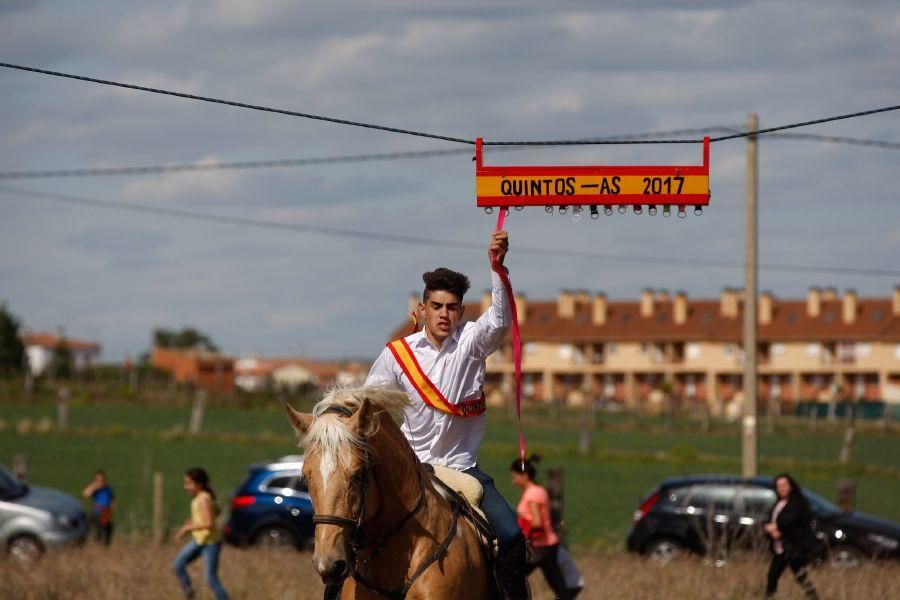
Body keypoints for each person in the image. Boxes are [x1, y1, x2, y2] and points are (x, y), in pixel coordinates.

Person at [366, 230, 530, 599]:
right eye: (437, 306)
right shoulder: (396, 354)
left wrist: (497, 268)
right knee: (348, 535)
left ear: (461, 311)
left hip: (462, 470)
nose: (444, 314)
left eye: (452, 307)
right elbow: (370, 405)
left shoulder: (472, 342)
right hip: (412, 468)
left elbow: (501, 320)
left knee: (512, 537)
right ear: (422, 309)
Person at [511, 455, 576, 600]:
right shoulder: (538, 491)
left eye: (515, 477)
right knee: (558, 586)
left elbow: (537, 522)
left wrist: (520, 527)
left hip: (539, 546)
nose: (513, 481)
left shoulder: (532, 494)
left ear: (525, 475)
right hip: (547, 545)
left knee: (512, 576)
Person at [172, 468, 229, 600]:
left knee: (211, 579)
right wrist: (194, 521)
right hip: (199, 541)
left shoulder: (203, 499)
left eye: (188, 483)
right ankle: (189, 593)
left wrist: (188, 528)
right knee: (178, 565)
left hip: (210, 543)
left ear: (199, 484)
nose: (186, 487)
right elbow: (217, 511)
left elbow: (209, 524)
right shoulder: (201, 498)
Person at [763, 473, 820, 599]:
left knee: (797, 576)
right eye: (779, 486)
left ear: (791, 486)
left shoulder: (797, 503)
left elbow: (791, 522)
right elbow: (770, 519)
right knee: (774, 576)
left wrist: (778, 528)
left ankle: (814, 597)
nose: (782, 488)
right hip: (780, 548)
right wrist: (769, 529)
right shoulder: (778, 504)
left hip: (792, 547)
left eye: (784, 485)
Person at [81, 469, 115, 546]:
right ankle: (84, 543)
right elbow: (85, 494)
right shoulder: (95, 488)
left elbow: (112, 499)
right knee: (90, 528)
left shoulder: (108, 488)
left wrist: (112, 511)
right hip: (96, 513)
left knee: (108, 531)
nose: (101, 482)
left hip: (106, 513)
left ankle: (105, 547)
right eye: (99, 480)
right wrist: (94, 486)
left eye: (102, 480)